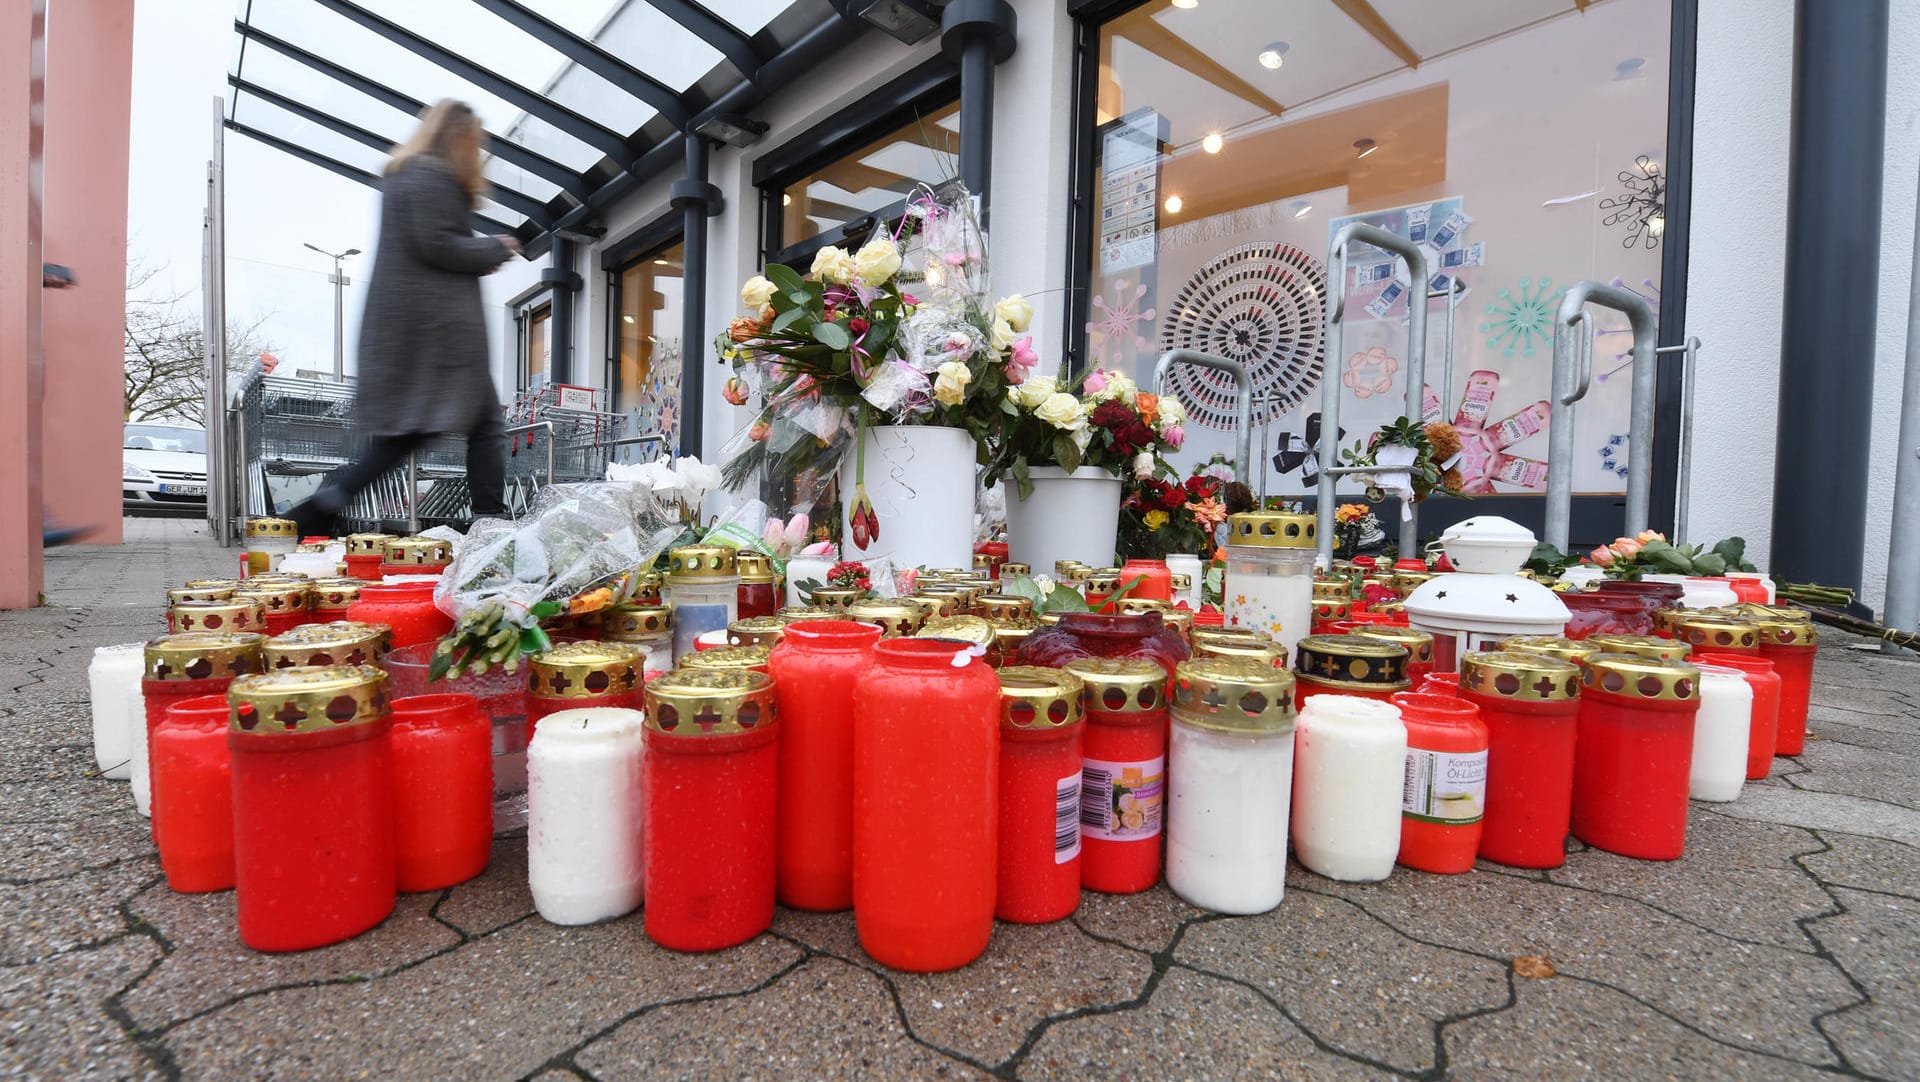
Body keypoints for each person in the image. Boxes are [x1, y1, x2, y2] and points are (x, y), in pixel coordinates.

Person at [290, 99, 521, 537]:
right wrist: (495, 247)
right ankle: (489, 523)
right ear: (459, 140)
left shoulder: (408, 175)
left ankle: (327, 504)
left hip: (422, 333)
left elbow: (433, 244)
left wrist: (480, 250)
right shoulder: (430, 176)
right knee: (475, 427)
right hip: (437, 338)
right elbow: (437, 243)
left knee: (430, 432)